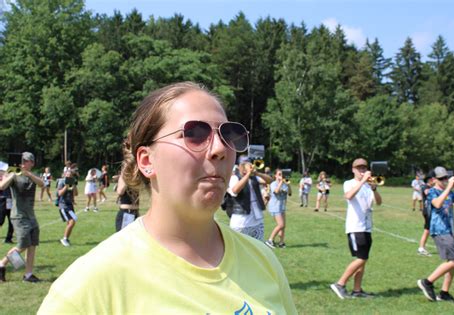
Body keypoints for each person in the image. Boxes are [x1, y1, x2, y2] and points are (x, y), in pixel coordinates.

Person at [38, 82, 296, 314]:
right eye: (194, 133)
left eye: (227, 134)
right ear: (147, 161)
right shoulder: (87, 289)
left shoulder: (264, 261)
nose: (220, 149)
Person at [330, 158, 382, 299]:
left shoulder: (368, 186)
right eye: (359, 168)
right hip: (355, 226)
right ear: (353, 170)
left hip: (367, 227)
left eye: (364, 168)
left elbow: (379, 202)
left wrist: (374, 188)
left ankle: (357, 290)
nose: (362, 170)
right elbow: (348, 196)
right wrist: (362, 181)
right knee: (361, 258)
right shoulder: (349, 183)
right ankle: (340, 284)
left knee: (363, 260)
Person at [417, 166, 454, 302]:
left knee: (451, 262)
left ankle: (444, 293)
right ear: (434, 180)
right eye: (442, 178)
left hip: (450, 230)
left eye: (446, 177)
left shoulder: (449, 191)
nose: (445, 180)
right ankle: (427, 282)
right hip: (439, 230)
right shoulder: (431, 192)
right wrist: (449, 188)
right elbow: (437, 204)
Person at [0, 152, 44, 283]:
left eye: (26, 161)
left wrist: (28, 174)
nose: (23, 163)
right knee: (23, 244)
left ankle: (28, 275)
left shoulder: (32, 175)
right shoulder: (13, 175)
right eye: (22, 161)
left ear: (32, 163)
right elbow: (2, 186)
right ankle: (2, 263)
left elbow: (42, 184)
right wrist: (13, 174)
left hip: (31, 215)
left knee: (32, 244)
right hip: (18, 216)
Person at [227, 155, 273, 241]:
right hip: (241, 223)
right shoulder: (234, 177)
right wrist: (247, 174)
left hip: (257, 221)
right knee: (239, 250)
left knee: (258, 249)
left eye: (249, 164)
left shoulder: (254, 177)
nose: (247, 167)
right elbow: (235, 190)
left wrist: (257, 173)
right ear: (239, 166)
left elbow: (270, 181)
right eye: (244, 164)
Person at [265, 168, 291, 249]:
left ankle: (281, 242)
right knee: (280, 225)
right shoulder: (273, 184)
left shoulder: (284, 184)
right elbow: (276, 191)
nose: (281, 176)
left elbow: (290, 193)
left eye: (281, 174)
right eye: (279, 174)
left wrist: (288, 184)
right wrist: (280, 182)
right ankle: (270, 240)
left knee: (283, 226)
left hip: (282, 206)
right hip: (275, 207)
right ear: (275, 175)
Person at [57, 170, 78, 247]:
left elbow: (76, 194)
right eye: (67, 175)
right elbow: (59, 193)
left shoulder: (72, 182)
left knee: (69, 223)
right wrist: (66, 186)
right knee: (73, 221)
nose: (69, 176)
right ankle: (64, 239)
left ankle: (66, 238)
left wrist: (74, 185)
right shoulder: (61, 182)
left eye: (71, 175)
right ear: (65, 175)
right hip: (63, 205)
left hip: (70, 205)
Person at [417, 171, 435, 256]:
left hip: (430, 211)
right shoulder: (425, 187)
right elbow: (427, 192)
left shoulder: (429, 187)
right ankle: (421, 248)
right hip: (428, 211)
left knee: (430, 229)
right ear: (430, 180)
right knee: (427, 230)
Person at [0, 166, 14, 244]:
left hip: (11, 200)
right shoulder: (3, 178)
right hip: (2, 200)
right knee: (0, 220)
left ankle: (9, 238)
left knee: (12, 220)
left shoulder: (11, 178)